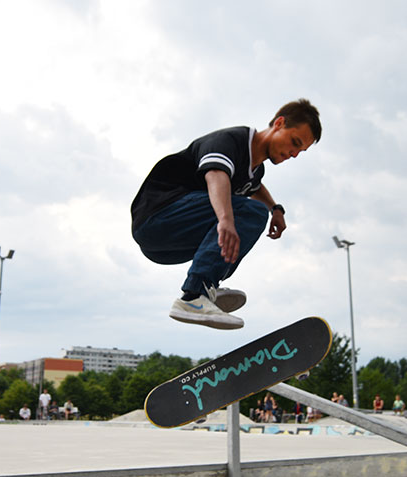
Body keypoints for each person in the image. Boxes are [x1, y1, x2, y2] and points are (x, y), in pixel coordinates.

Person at [131, 100, 322, 329]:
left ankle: (208, 287)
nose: (294, 154)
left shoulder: (254, 170)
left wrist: (276, 209)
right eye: (295, 142)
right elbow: (216, 175)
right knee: (250, 213)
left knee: (248, 216)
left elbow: (255, 187)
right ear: (279, 124)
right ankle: (195, 294)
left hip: (163, 248)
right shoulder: (231, 141)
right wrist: (225, 219)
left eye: (301, 151)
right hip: (158, 215)